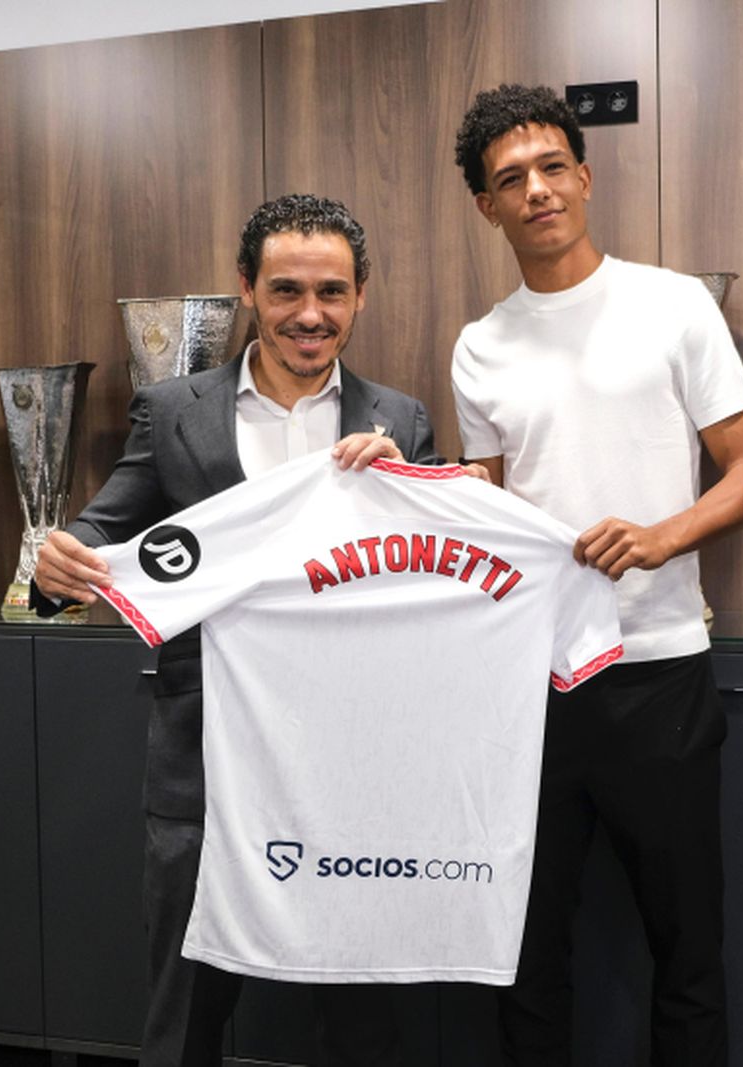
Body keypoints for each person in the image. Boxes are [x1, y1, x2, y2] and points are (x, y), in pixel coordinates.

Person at [32, 193, 439, 1067]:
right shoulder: (175, 408)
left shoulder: (398, 421)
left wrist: (421, 486)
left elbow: (436, 576)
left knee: (363, 1011)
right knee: (186, 1007)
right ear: (247, 288)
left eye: (332, 291)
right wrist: (60, 558)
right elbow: (110, 525)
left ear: (362, 294)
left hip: (354, 763)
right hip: (204, 752)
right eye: (286, 289)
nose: (310, 314)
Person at [450, 84, 743, 1066]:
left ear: (585, 178)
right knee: (526, 949)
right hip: (532, 688)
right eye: (511, 179)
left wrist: (660, 535)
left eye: (553, 168)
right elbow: (483, 518)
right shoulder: (479, 346)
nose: (537, 189)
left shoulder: (673, 304)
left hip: (657, 672)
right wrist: (395, 481)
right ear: (487, 207)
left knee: (687, 947)